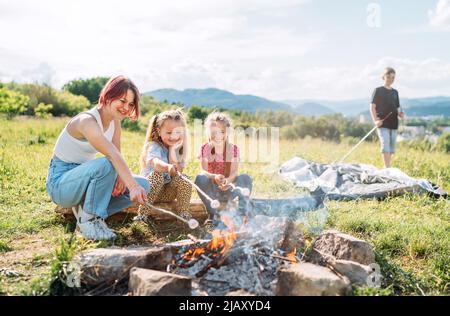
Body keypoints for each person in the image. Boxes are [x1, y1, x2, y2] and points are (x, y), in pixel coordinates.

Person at [46, 76, 150, 240]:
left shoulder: (115, 122)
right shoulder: (87, 121)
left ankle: (88, 213)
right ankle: (89, 221)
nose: (126, 108)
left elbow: (117, 153)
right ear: (108, 95)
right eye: (122, 101)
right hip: (61, 184)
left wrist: (125, 181)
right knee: (108, 164)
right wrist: (130, 183)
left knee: (143, 184)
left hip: (85, 180)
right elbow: (112, 155)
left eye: (130, 104)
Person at [194, 111, 252, 226]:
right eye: (214, 132)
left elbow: (234, 172)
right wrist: (214, 176)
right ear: (208, 132)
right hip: (212, 190)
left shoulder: (232, 149)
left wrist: (227, 181)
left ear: (227, 132)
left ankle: (241, 214)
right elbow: (204, 171)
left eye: (222, 132)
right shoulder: (205, 148)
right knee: (200, 178)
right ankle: (212, 214)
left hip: (229, 189)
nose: (218, 135)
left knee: (245, 178)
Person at [138, 109, 192, 219]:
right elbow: (156, 163)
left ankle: (184, 214)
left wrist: (172, 149)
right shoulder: (154, 146)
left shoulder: (178, 149)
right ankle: (142, 215)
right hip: (149, 191)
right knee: (156, 175)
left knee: (185, 179)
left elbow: (178, 173)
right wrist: (168, 167)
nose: (173, 136)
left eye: (177, 132)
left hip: (167, 193)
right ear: (158, 130)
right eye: (169, 133)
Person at [370, 67, 405, 168]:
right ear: (383, 77)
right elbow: (372, 107)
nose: (391, 79)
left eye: (393, 77)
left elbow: (397, 107)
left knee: (391, 148)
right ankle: (387, 168)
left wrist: (400, 114)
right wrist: (376, 120)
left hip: (394, 124)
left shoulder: (395, 92)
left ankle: (388, 166)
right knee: (385, 144)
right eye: (388, 77)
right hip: (382, 123)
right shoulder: (378, 90)